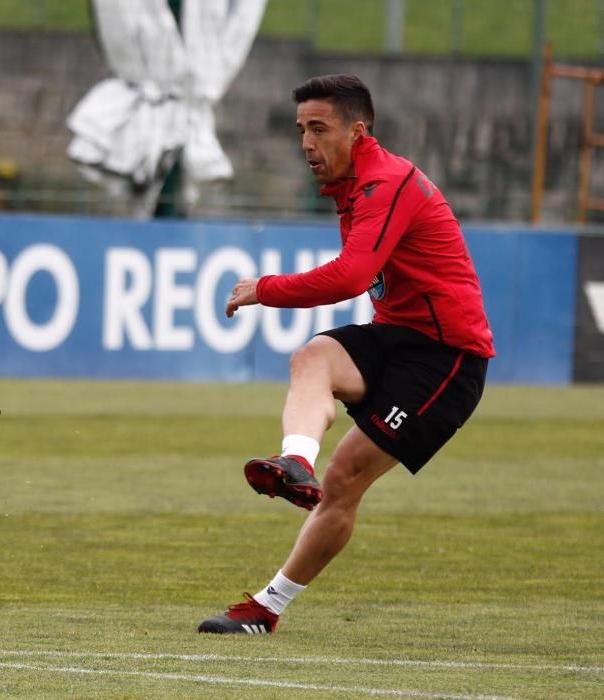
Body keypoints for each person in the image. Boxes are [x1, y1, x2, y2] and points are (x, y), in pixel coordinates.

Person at [198, 74, 495, 634]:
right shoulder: (353, 187)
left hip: (446, 360)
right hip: (397, 336)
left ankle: (267, 608)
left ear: (358, 132)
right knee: (312, 358)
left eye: (319, 128)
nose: (306, 142)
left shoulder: (387, 182)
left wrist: (267, 288)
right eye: (300, 130)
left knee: (346, 479)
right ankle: (294, 462)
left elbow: (354, 275)